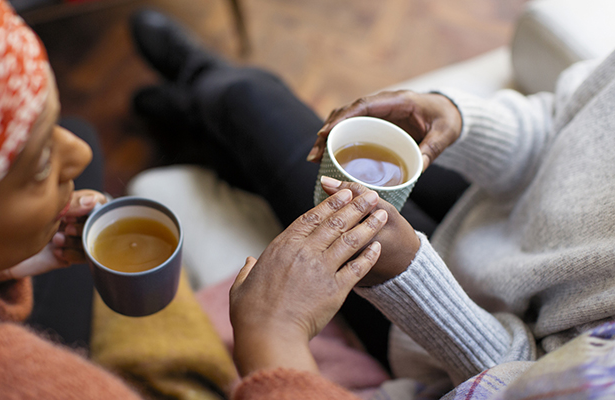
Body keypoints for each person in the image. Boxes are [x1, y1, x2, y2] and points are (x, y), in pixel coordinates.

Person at [129, 8, 615, 399]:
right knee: (256, 116)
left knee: (248, 99)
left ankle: (197, 96)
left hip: (441, 319)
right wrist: (462, 121)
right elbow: (559, 122)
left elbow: (517, 381)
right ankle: (198, 120)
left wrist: (406, 274)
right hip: (490, 204)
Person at [0, 0, 392, 398]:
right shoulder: (33, 385)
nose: (76, 155)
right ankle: (199, 102)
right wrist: (275, 339)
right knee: (243, 100)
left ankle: (191, 112)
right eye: (39, 164)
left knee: (92, 133)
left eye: (50, 126)